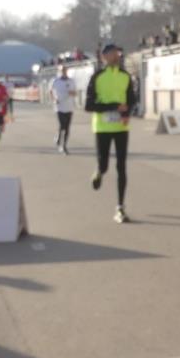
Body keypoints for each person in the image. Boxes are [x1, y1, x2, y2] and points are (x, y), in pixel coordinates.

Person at [85, 43, 138, 224]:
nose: (117, 57)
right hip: (102, 128)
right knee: (105, 165)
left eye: (118, 53)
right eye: (113, 54)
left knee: (121, 167)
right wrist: (114, 106)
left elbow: (131, 100)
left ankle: (120, 207)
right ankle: (99, 171)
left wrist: (127, 113)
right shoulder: (97, 77)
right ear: (104, 57)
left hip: (121, 127)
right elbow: (89, 105)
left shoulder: (125, 76)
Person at [50, 65, 77, 154]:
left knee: (67, 127)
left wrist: (72, 93)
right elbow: (50, 91)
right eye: (62, 70)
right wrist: (54, 99)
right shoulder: (55, 81)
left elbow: (75, 93)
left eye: (65, 70)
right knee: (62, 125)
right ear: (59, 71)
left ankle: (64, 145)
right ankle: (60, 141)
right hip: (59, 106)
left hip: (69, 107)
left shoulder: (71, 81)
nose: (63, 72)